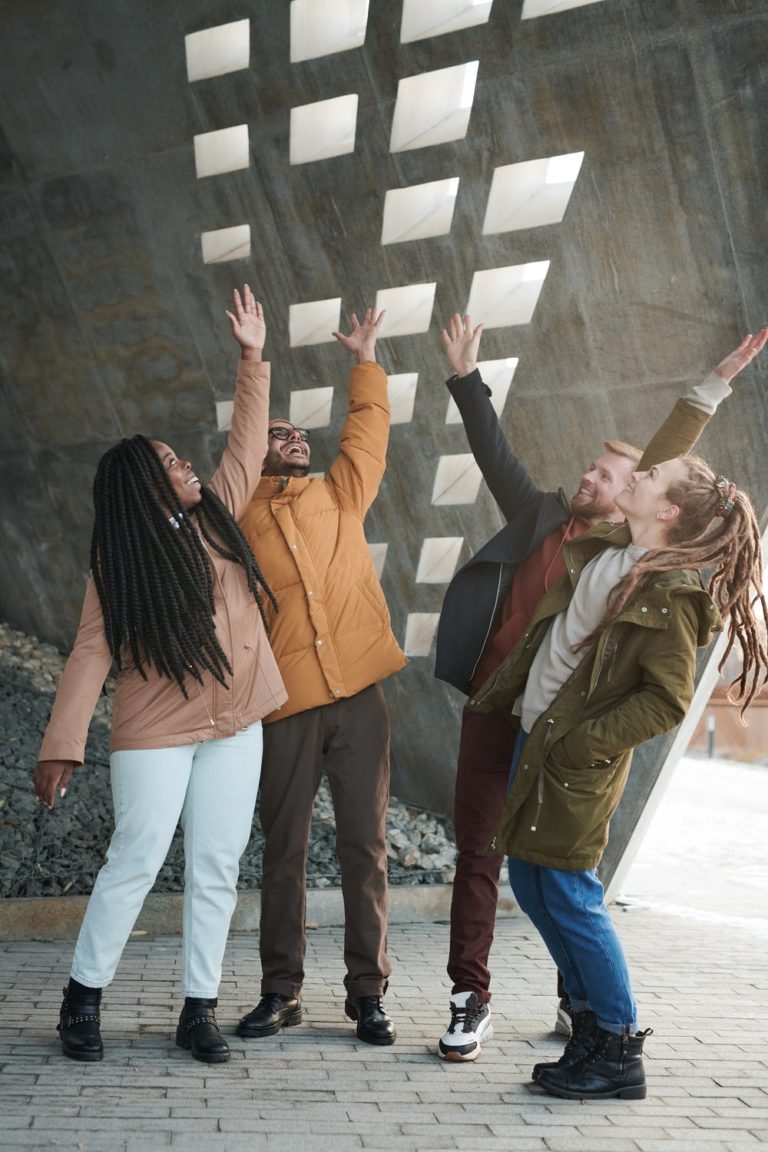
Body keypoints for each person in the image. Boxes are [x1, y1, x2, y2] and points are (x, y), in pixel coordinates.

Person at [434, 316, 768, 1061]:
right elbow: (668, 459)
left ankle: (614, 1043)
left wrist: (582, 739)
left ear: (665, 509)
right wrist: (712, 384)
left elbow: (667, 698)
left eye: (643, 478)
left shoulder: (670, 587)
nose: (633, 474)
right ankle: (587, 1023)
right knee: (533, 884)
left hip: (570, 752)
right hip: (532, 732)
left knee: (572, 896)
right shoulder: (619, 544)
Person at [32, 286, 286, 1065]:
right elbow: (89, 652)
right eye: (170, 462)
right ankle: (83, 997)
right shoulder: (121, 561)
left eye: (180, 456)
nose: (186, 465)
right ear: (143, 489)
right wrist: (61, 743)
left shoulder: (217, 515)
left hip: (236, 725)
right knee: (137, 858)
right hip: (157, 729)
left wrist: (252, 358)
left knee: (216, 864)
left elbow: (245, 448)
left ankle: (198, 1008)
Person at [236, 308, 406, 1046]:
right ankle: (282, 991)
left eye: (299, 432)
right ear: (254, 452)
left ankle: (368, 994)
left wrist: (365, 360)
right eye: (278, 434)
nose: (294, 437)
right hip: (288, 711)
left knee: (366, 848)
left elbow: (368, 430)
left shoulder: (338, 494)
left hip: (362, 701)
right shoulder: (235, 518)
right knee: (285, 850)